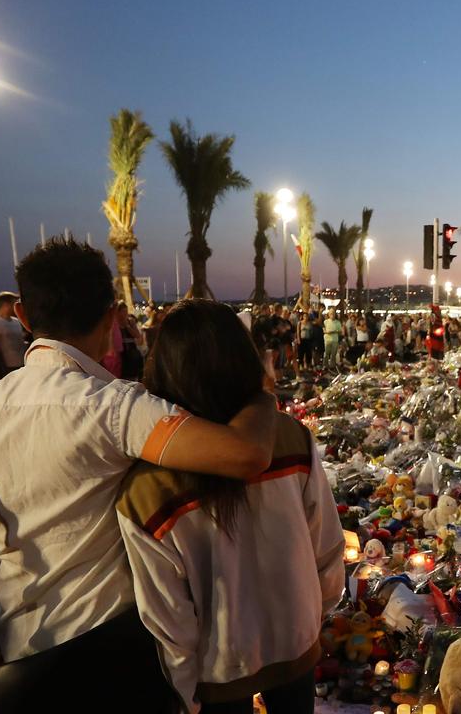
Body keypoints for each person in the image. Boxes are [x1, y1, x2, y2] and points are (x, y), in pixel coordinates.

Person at [0, 239, 278, 710]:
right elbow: (245, 455)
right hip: (115, 654)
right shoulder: (113, 407)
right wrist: (263, 397)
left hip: (23, 656)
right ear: (112, 315)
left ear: (25, 318)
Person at [117, 301, 344, 714]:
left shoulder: (146, 487)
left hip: (217, 669)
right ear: (244, 358)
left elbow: (168, 618)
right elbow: (326, 544)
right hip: (295, 639)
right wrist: (312, 617)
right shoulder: (289, 438)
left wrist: (185, 694)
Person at [0, 291, 27, 376]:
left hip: (21, 364)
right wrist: (0, 367)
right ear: (6, 304)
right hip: (7, 367)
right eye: (14, 304)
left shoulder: (16, 321)